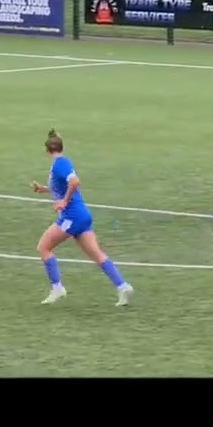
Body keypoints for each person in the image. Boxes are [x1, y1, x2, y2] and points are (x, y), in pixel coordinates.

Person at [30, 128, 134, 307]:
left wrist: (64, 201)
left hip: (72, 217)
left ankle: (57, 288)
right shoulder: (63, 162)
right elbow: (63, 186)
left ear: (47, 151)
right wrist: (44, 189)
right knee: (97, 255)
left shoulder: (59, 164)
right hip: (82, 216)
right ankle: (123, 286)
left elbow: (75, 182)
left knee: (44, 247)